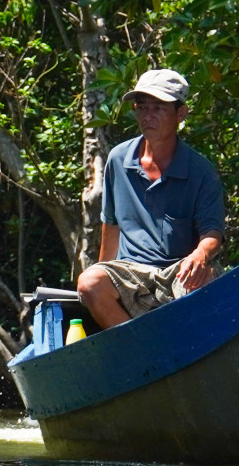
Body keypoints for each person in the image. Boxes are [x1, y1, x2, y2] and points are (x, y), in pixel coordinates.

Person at [76, 68, 226, 329]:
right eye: (142, 107)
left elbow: (212, 232)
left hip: (179, 270)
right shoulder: (118, 159)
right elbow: (110, 226)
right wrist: (102, 278)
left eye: (158, 108)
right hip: (131, 271)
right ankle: (136, 351)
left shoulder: (200, 170)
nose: (148, 116)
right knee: (89, 283)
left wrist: (201, 255)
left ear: (181, 114)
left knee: (205, 281)